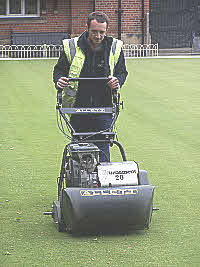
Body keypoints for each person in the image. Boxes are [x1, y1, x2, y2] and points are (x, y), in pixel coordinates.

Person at [53, 11, 128, 162]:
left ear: (106, 31)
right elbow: (59, 70)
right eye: (94, 32)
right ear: (86, 27)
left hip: (105, 106)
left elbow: (122, 72)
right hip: (78, 106)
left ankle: (103, 183)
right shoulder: (72, 46)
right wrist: (58, 80)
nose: (98, 36)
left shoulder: (115, 47)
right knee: (80, 151)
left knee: (103, 150)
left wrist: (117, 81)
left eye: (102, 32)